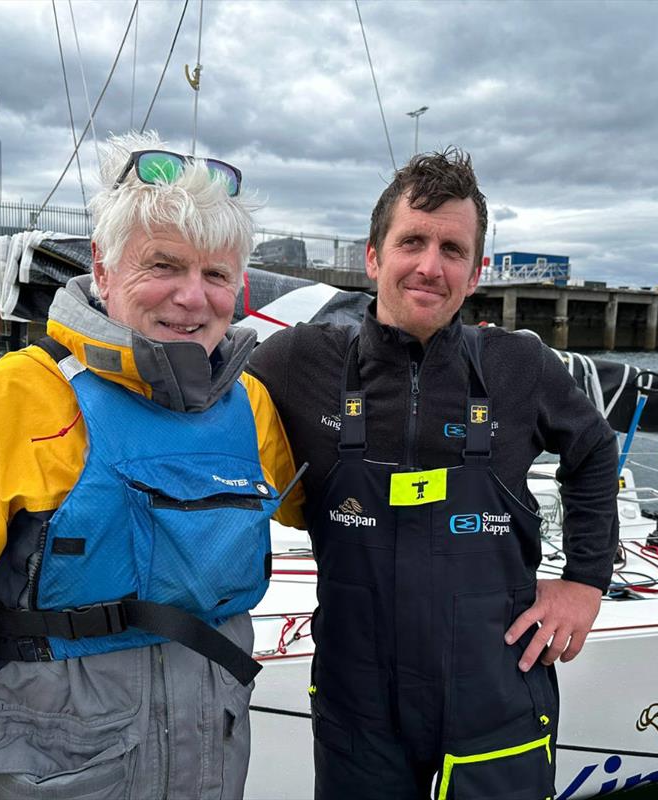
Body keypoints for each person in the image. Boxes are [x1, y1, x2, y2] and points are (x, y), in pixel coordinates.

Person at [0, 131, 303, 800]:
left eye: (215, 275)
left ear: (240, 288)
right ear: (104, 268)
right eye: (164, 266)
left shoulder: (251, 409)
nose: (191, 297)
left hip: (210, 773)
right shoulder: (3, 406)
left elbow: (353, 516)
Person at [247, 149, 619, 800]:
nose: (429, 264)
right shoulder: (299, 361)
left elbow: (591, 449)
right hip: (356, 711)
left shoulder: (518, 366)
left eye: (452, 248)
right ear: (373, 256)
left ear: (475, 272)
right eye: (411, 240)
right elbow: (191, 385)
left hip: (496, 705)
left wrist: (585, 581)